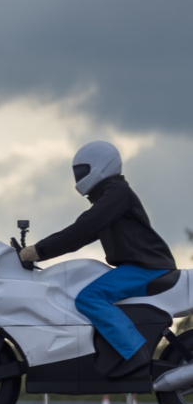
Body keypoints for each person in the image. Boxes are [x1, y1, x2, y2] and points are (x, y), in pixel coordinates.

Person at [18, 140, 176, 369]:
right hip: (140, 267)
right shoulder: (111, 197)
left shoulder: (117, 193)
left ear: (100, 165)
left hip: (147, 267)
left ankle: (134, 353)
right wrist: (41, 251)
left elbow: (83, 228)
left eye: (82, 170)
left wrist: (38, 250)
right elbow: (80, 236)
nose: (79, 176)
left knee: (89, 297)